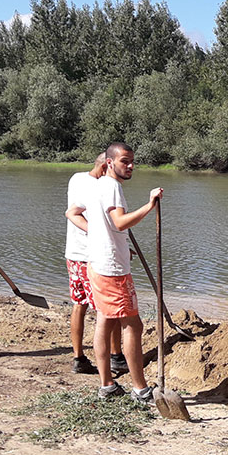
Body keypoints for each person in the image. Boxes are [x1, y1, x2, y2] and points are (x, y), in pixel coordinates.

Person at [65, 142, 162, 404]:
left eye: (132, 162)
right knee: (133, 325)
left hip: (97, 263)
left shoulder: (95, 186)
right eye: (124, 161)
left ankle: (107, 385)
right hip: (112, 269)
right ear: (110, 162)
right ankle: (141, 389)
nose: (130, 166)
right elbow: (119, 222)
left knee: (105, 321)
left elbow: (72, 212)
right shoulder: (112, 187)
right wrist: (149, 205)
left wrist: (98, 235)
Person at [64, 152, 125, 376]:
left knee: (79, 304)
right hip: (93, 257)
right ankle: (115, 357)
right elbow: (107, 222)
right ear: (104, 168)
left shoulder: (76, 178)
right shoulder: (101, 186)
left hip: (73, 254)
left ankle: (78, 357)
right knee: (109, 308)